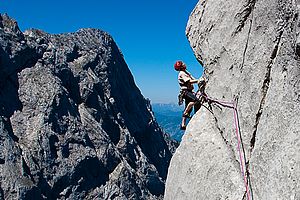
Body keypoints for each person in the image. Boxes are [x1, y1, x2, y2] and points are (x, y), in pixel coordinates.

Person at [174, 60, 201, 130]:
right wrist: (199, 80)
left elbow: (192, 79)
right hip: (186, 92)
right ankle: (186, 112)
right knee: (196, 100)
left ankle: (183, 124)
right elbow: (189, 81)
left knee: (189, 108)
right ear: (181, 66)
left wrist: (197, 81)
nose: (184, 63)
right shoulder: (182, 73)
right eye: (182, 63)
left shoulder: (186, 72)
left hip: (187, 92)